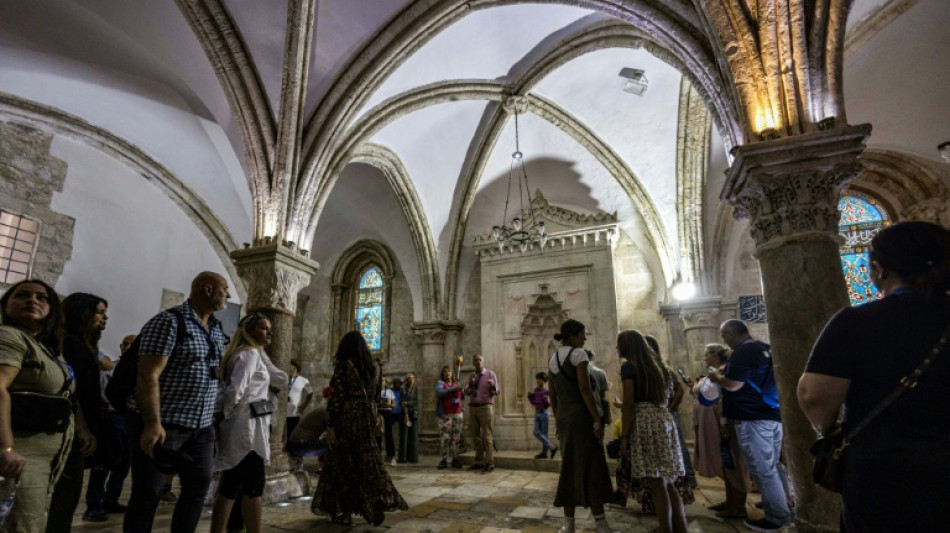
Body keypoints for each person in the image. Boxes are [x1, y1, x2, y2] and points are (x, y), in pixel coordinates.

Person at [799, 221, 950, 532]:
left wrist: (827, 428)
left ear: (879, 269)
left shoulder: (857, 322)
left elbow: (814, 396)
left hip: (884, 470)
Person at [124, 271, 230, 533]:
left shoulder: (216, 328)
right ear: (208, 289)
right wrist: (152, 424)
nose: (227, 295)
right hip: (165, 424)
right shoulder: (169, 322)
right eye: (224, 289)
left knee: (198, 487)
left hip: (201, 427)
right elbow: (148, 375)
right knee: (149, 491)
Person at [0, 279, 90, 532]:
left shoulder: (45, 347)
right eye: (22, 295)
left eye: (42, 298)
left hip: (45, 457)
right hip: (20, 454)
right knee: (21, 525)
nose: (33, 300)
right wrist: (5, 447)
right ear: (7, 305)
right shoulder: (9, 336)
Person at [312, 331, 408, 526]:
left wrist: (330, 425)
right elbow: (376, 395)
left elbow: (337, 397)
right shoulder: (375, 367)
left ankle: (346, 514)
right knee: (369, 461)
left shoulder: (344, 366)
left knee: (345, 464)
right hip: (368, 417)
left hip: (348, 417)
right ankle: (377, 501)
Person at [709, 319, 791, 532]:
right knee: (774, 465)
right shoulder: (764, 348)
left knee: (763, 469)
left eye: (724, 336)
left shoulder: (744, 352)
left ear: (731, 333)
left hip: (752, 417)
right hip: (771, 413)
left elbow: (734, 385)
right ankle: (786, 506)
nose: (724, 340)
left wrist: (717, 377)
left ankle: (777, 517)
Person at [207, 313, 276, 533]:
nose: (269, 333)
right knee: (254, 487)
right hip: (246, 429)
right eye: (264, 328)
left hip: (246, 424)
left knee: (231, 485)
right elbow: (235, 391)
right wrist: (222, 416)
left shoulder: (252, 354)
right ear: (249, 330)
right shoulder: (248, 355)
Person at [47, 293, 110, 530]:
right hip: (69, 430)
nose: (105, 318)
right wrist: (82, 427)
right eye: (99, 312)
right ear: (82, 313)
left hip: (75, 427)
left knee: (67, 495)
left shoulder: (80, 344)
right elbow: (69, 390)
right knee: (63, 496)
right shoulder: (71, 343)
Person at [548, 319, 616, 533]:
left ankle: (569, 525)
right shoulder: (579, 355)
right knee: (593, 467)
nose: (584, 338)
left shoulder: (553, 358)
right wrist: (597, 418)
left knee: (569, 468)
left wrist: (558, 420)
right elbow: (585, 389)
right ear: (573, 335)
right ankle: (601, 524)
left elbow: (553, 395)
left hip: (565, 420)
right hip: (582, 418)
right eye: (582, 334)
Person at [617, 330, 687, 533]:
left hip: (646, 422)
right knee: (668, 481)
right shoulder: (661, 367)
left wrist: (624, 436)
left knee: (657, 484)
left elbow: (629, 403)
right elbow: (676, 392)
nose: (617, 349)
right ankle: (681, 528)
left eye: (619, 344)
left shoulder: (629, 367)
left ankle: (666, 530)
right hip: (664, 420)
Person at [691, 344, 752, 519]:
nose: (703, 358)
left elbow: (725, 398)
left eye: (706, 355)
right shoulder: (716, 371)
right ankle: (730, 501)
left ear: (715, 356)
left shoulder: (723, 372)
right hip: (718, 422)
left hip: (725, 422)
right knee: (727, 463)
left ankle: (739, 507)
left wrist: (724, 424)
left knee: (734, 463)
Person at [84, 335, 136, 520]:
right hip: (110, 416)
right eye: (125, 343)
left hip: (130, 417)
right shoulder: (108, 366)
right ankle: (94, 504)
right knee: (105, 461)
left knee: (124, 462)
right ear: (120, 346)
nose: (128, 347)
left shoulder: (140, 370)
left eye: (133, 343)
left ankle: (111, 498)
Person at [465, 354, 499, 472]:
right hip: (473, 407)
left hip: (485, 407)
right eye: (475, 360)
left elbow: (496, 392)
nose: (478, 362)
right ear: (473, 363)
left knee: (487, 435)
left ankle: (489, 463)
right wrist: (471, 383)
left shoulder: (490, 374)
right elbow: (466, 392)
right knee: (476, 436)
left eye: (480, 360)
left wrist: (492, 385)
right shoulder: (471, 376)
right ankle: (479, 462)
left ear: (483, 362)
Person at [435, 365, 463, 469]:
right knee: (445, 437)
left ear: (452, 373)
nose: (448, 373)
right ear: (443, 374)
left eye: (449, 372)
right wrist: (453, 388)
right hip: (445, 414)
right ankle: (444, 459)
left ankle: (455, 458)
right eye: (445, 372)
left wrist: (461, 390)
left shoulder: (457, 383)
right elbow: (440, 393)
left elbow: (462, 396)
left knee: (456, 437)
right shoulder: (440, 383)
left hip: (457, 413)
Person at [526, 371, 556, 459]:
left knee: (545, 434)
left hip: (544, 413)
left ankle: (544, 453)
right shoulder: (535, 390)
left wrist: (546, 399)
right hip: (537, 413)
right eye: (538, 379)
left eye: (540, 379)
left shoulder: (547, 391)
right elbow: (535, 403)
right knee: (535, 432)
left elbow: (549, 403)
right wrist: (529, 398)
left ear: (545, 381)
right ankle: (552, 447)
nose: (538, 381)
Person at [286, 359, 313, 440]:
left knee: (292, 435)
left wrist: (303, 406)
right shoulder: (284, 378)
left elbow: (310, 393)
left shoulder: (303, 380)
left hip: (294, 413)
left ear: (295, 367)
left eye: (289, 365)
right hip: (282, 413)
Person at [397, 373, 419, 463]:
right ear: (406, 379)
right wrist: (406, 415)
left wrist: (407, 403)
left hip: (414, 413)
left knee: (413, 436)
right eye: (409, 378)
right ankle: (402, 457)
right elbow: (402, 403)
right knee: (404, 436)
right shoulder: (402, 390)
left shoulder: (416, 389)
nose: (411, 379)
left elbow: (416, 402)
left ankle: (413, 457)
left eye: (413, 377)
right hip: (404, 414)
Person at [379, 377, 396, 464]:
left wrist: (388, 404)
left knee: (388, 434)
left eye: (383, 380)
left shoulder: (389, 392)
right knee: (378, 434)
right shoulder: (375, 392)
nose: (382, 382)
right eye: (380, 380)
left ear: (385, 382)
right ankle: (378, 455)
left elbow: (394, 405)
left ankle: (390, 455)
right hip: (379, 413)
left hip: (388, 413)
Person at [389, 377, 403, 466]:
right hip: (392, 413)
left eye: (399, 383)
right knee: (391, 433)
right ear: (394, 384)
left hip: (400, 413)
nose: (398, 385)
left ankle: (401, 453)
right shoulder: (390, 391)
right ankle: (392, 453)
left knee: (401, 433)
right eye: (396, 383)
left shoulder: (401, 391)